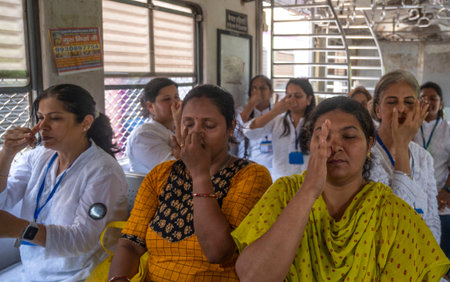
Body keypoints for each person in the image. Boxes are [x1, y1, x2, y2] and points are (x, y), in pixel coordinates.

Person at [232, 96, 450, 281]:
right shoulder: (285, 192)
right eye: (323, 136)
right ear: (311, 143)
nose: (334, 147)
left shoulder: (388, 210)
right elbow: (252, 276)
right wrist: (308, 192)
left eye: (349, 136)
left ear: (369, 146)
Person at [108, 84, 272, 281]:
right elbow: (130, 244)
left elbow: (217, 252)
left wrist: (200, 175)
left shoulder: (251, 176)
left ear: (230, 128)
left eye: (208, 126)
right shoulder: (161, 174)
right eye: (188, 124)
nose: (196, 133)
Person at [0, 84, 128, 281]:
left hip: (81, 274)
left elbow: (83, 240)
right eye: (40, 117)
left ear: (85, 123)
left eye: (55, 118)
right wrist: (7, 154)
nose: (42, 127)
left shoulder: (103, 171)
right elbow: (4, 200)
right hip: (34, 270)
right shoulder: (38, 157)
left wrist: (21, 229)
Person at [370, 70, 441, 242]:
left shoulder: (423, 157)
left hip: (420, 256)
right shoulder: (365, 153)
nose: (401, 108)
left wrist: (428, 259)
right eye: (392, 102)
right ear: (378, 110)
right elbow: (393, 217)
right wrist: (401, 146)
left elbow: (432, 217)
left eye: (409, 102)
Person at [243, 78, 316, 180]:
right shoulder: (278, 120)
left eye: (298, 96)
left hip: (308, 181)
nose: (292, 99)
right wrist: (274, 111)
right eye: (289, 96)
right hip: (280, 181)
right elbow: (249, 132)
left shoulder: (316, 122)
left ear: (309, 100)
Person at [413, 81, 450, 258]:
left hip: (442, 199)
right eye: (423, 98)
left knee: (440, 253)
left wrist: (446, 191)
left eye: (433, 98)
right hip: (414, 197)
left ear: (441, 103)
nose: (427, 101)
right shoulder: (411, 127)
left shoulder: (447, 129)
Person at [126, 77, 181, 174]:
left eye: (176, 97)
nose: (175, 103)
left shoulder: (178, 127)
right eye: (166, 99)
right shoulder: (144, 135)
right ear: (150, 106)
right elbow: (176, 170)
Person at [234, 75, 274, 170]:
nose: (258, 92)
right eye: (254, 88)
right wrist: (251, 105)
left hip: (272, 166)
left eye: (262, 88)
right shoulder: (242, 110)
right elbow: (235, 135)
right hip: (247, 164)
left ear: (271, 92)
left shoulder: (277, 112)